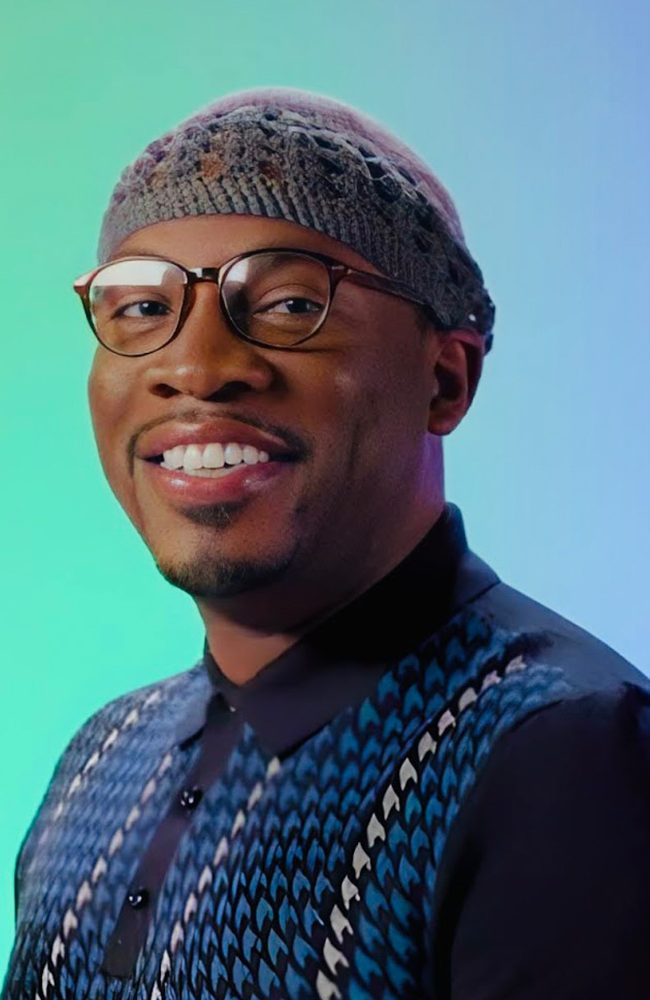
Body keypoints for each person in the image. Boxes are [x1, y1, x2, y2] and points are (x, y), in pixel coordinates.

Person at [3, 87, 649, 1000]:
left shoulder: (562, 754)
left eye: (288, 303)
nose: (194, 367)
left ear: (445, 379)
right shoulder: (103, 758)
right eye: (143, 307)